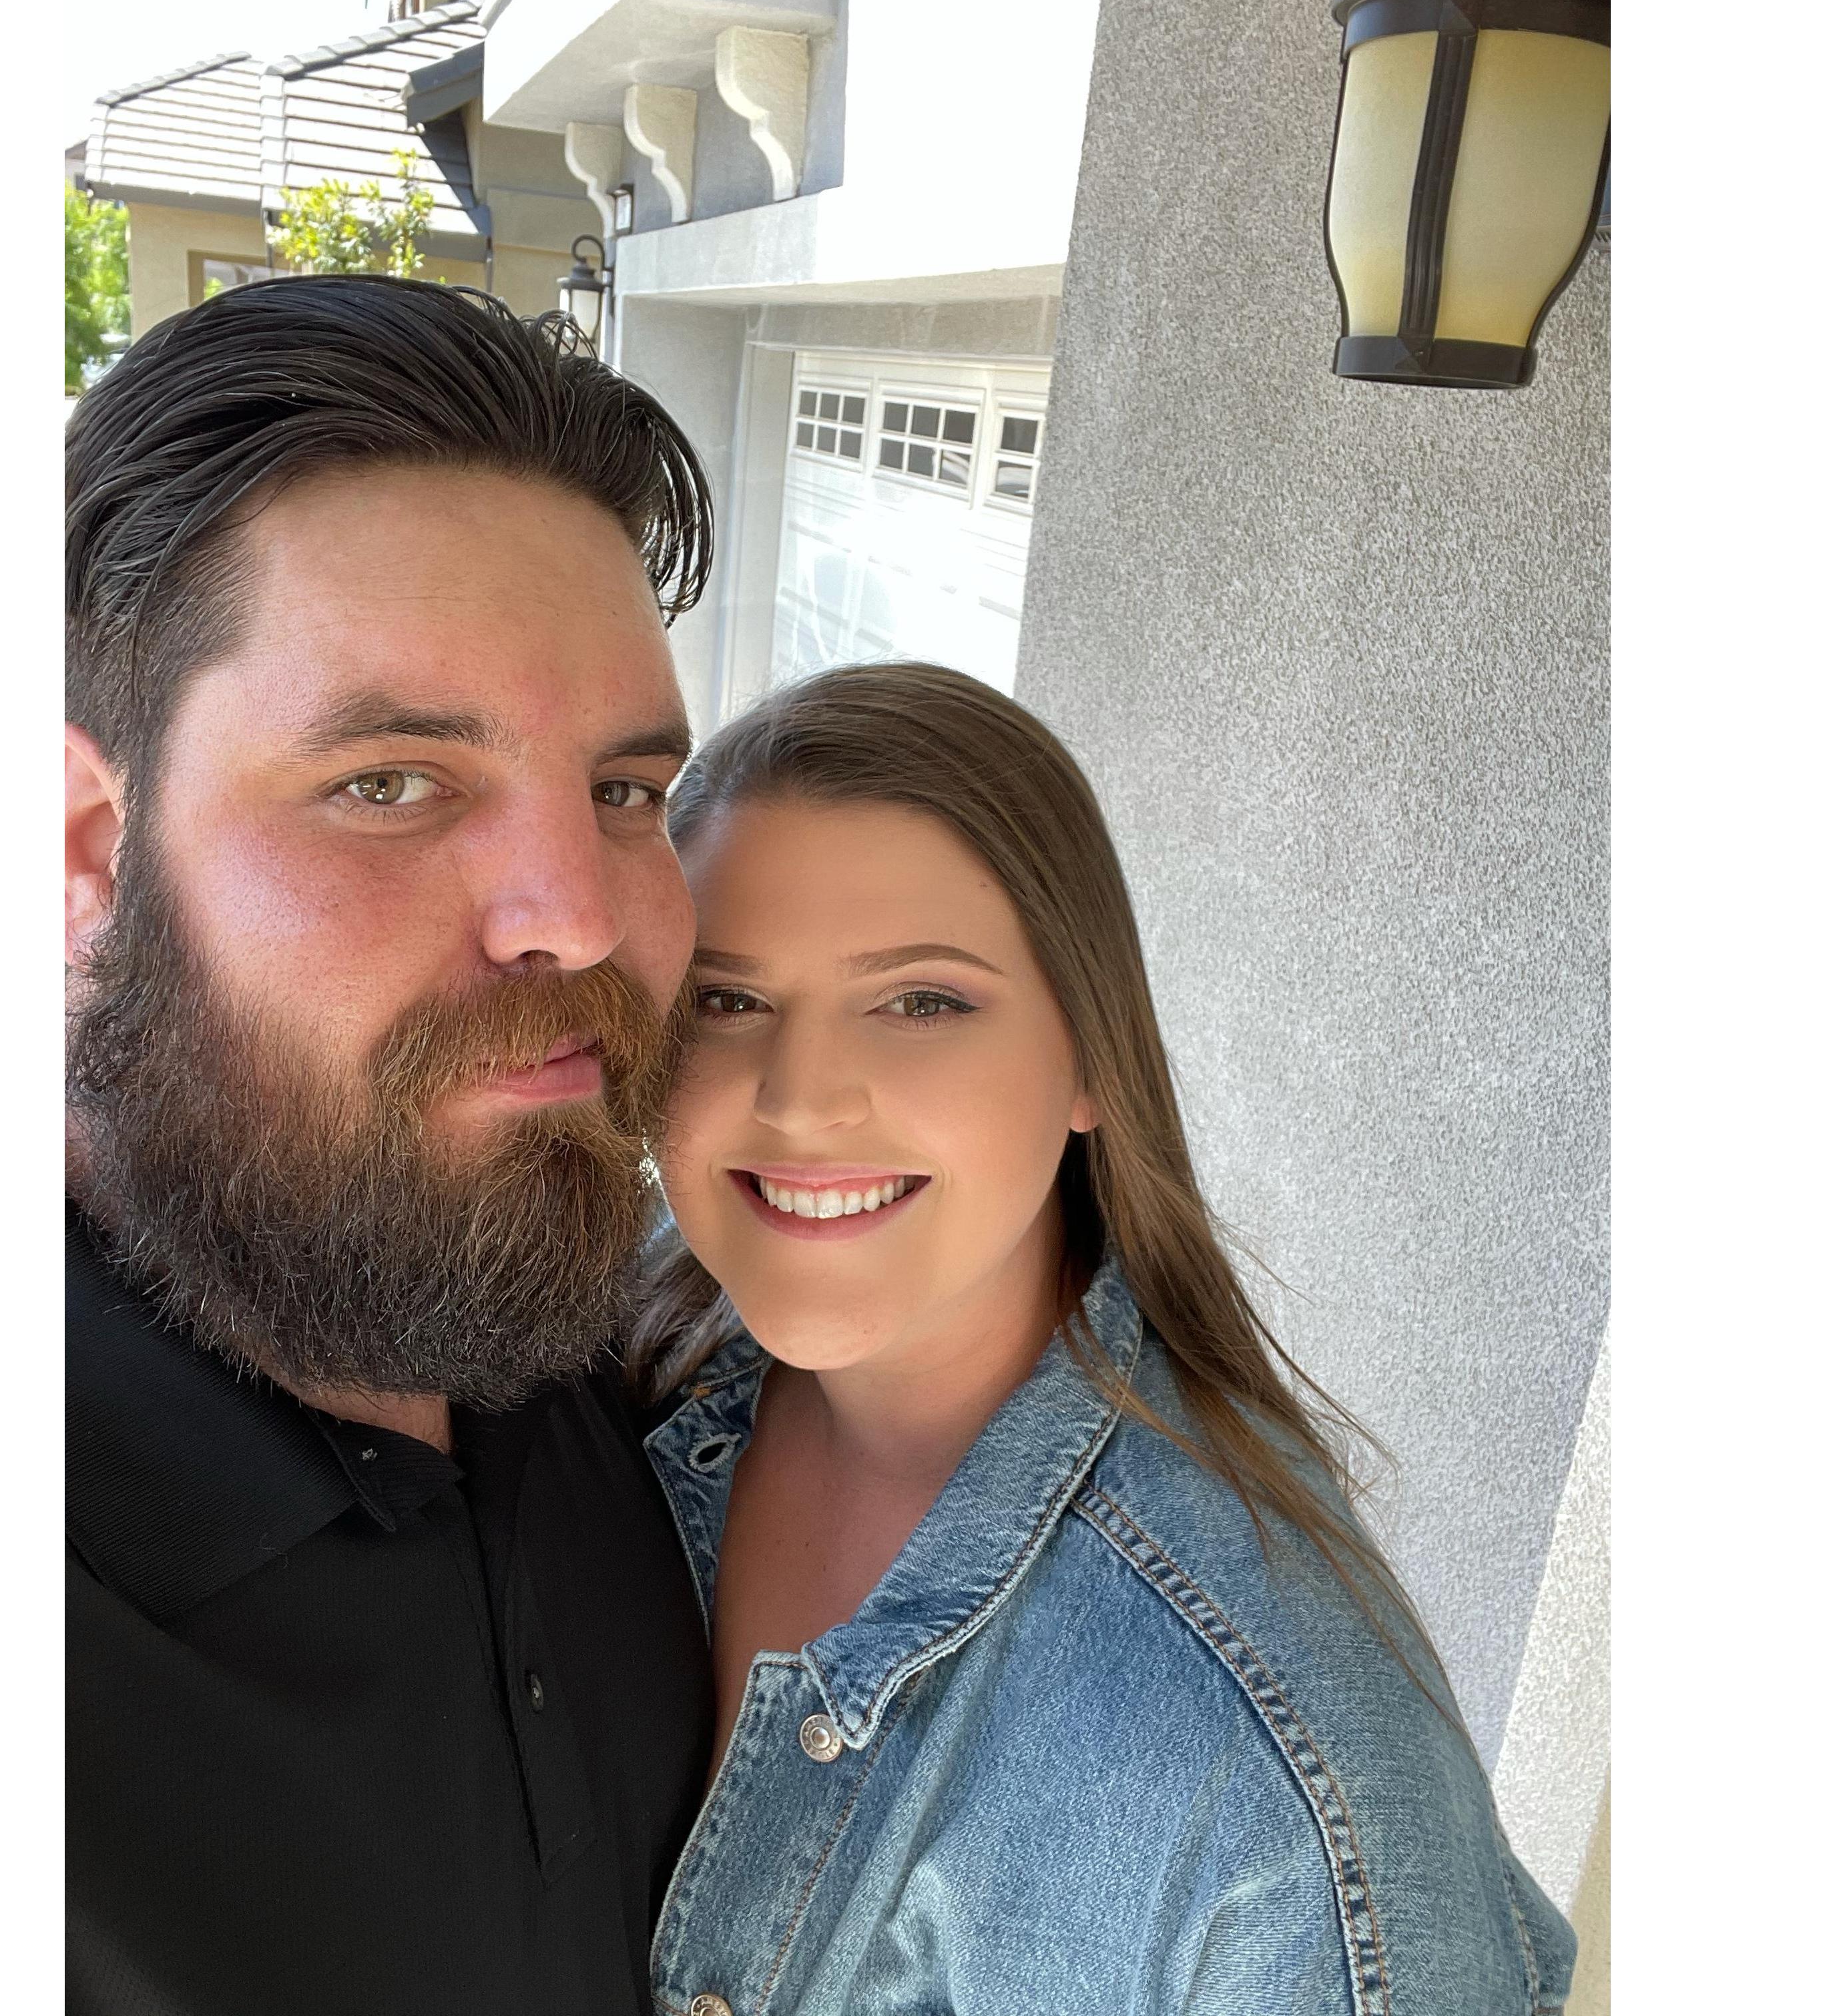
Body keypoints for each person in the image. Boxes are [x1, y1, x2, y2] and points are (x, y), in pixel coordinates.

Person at [633, 664, 1578, 2015]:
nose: (799, 1100)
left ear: (1090, 1058)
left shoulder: (1282, 1789)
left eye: (920, 1001)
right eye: (725, 1000)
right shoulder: (599, 1372)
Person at [64, 277, 718, 2015]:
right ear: (86, 852)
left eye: (625, 793)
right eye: (391, 782)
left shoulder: (608, 1350)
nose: (578, 918)